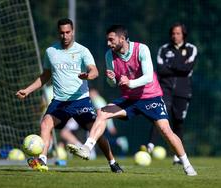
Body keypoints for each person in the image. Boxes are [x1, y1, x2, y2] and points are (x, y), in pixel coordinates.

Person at [67, 25, 197, 176]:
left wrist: (130, 82)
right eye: (107, 40)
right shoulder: (110, 55)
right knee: (102, 113)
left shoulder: (141, 49)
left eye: (111, 40)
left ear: (122, 39)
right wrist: (111, 79)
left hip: (150, 97)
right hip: (129, 99)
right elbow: (114, 83)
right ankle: (87, 148)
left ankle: (187, 165)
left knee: (166, 131)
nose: (108, 44)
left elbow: (148, 77)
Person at [16, 18, 123, 173]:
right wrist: (27, 90)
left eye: (67, 32)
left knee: (96, 131)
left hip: (81, 101)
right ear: (58, 33)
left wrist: (88, 75)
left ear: (72, 32)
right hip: (59, 102)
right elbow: (45, 76)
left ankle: (112, 162)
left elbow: (95, 71)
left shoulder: (82, 51)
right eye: (61, 33)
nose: (65, 36)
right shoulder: (51, 52)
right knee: (45, 124)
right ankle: (42, 160)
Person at [147, 23, 198, 165]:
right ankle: (149, 147)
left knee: (178, 122)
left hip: (183, 92)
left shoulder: (191, 49)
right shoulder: (164, 49)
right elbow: (160, 70)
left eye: (178, 33)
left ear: (184, 35)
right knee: (159, 117)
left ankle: (177, 156)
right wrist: (178, 67)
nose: (175, 36)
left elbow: (187, 69)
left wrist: (171, 66)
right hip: (165, 90)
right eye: (173, 33)